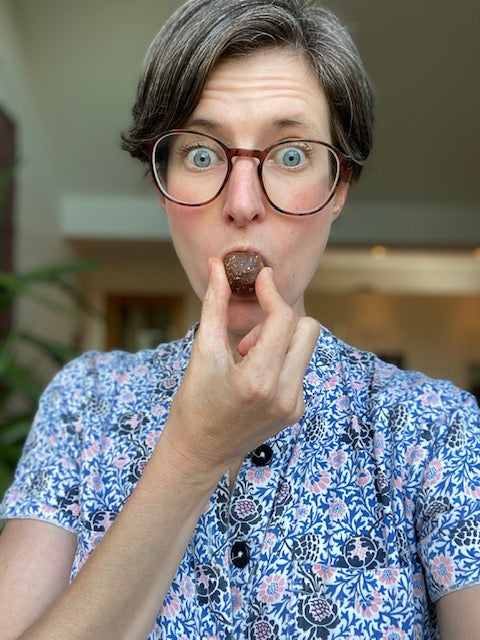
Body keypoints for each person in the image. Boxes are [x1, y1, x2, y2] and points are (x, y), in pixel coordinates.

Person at [0, 0, 479, 638]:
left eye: (289, 155)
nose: (243, 203)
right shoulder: (85, 402)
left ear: (338, 187)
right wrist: (193, 454)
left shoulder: (435, 427)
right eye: (201, 155)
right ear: (159, 178)